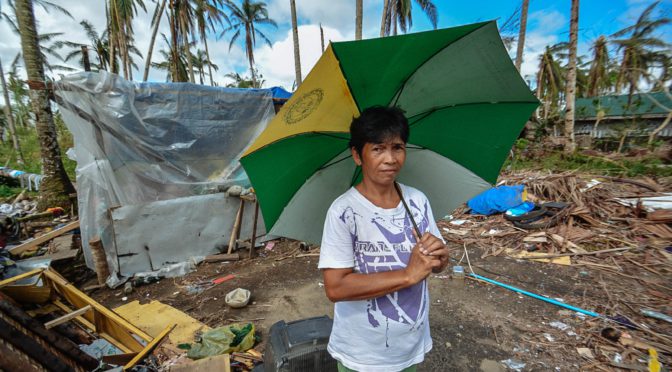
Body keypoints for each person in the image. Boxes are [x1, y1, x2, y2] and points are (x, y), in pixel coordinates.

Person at [318, 106, 450, 372]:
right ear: (357, 155)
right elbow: (336, 288)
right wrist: (407, 275)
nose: (390, 158)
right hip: (363, 355)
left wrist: (441, 258)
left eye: (398, 147)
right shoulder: (344, 211)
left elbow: (436, 261)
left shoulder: (417, 201)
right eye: (378, 149)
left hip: (410, 346)